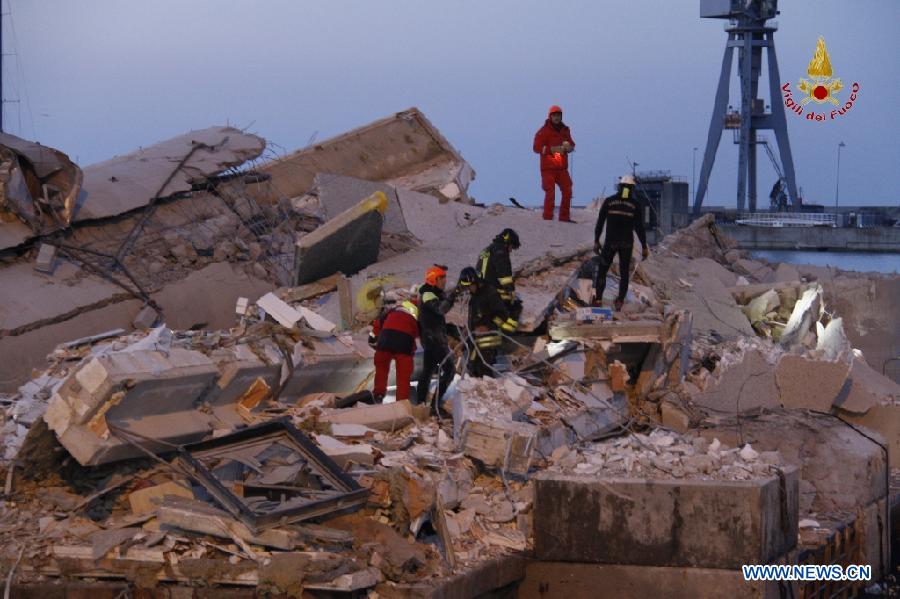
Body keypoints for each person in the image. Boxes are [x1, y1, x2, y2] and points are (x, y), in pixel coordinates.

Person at [592, 175, 649, 311]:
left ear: (620, 186)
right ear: (632, 188)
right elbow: (639, 228)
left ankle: (598, 299)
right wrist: (644, 246)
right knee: (624, 273)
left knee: (602, 271)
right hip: (626, 244)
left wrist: (596, 240)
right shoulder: (635, 205)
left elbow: (600, 223)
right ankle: (619, 301)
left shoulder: (609, 201)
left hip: (610, 242)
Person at [416, 265, 462, 412]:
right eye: (441, 278)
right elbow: (441, 309)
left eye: (445, 278)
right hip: (434, 339)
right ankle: (436, 404)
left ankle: (421, 403)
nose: (444, 281)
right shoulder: (428, 294)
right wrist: (454, 294)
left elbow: (437, 318)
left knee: (428, 371)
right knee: (449, 370)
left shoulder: (432, 293)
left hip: (431, 338)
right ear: (433, 279)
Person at [458, 267, 517, 377]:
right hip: (475, 339)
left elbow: (503, 315)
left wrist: (488, 327)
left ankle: (491, 390)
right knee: (473, 367)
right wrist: (468, 328)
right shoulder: (475, 296)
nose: (468, 289)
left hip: (488, 339)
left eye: (469, 286)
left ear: (476, 282)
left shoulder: (490, 294)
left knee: (484, 369)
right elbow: (475, 317)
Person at [371, 298, 419, 402]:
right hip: (403, 342)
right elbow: (416, 335)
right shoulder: (419, 315)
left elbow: (378, 323)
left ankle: (378, 395)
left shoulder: (394, 310)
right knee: (403, 376)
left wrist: (375, 337)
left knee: (381, 368)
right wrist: (412, 352)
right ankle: (401, 402)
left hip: (385, 339)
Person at [533, 105, 576, 221]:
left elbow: (572, 144)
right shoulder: (543, 131)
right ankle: (547, 217)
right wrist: (552, 149)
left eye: (558, 115)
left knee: (568, 190)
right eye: (554, 115)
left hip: (562, 168)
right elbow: (536, 147)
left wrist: (569, 147)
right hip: (548, 168)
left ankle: (564, 217)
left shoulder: (565, 130)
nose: (557, 118)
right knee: (550, 192)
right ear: (550, 116)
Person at [476, 228, 523, 323]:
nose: (511, 250)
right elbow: (504, 275)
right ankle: (506, 330)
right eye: (511, 247)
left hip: (480, 289)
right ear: (507, 243)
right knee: (515, 306)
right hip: (491, 290)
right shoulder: (500, 252)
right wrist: (511, 291)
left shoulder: (488, 249)